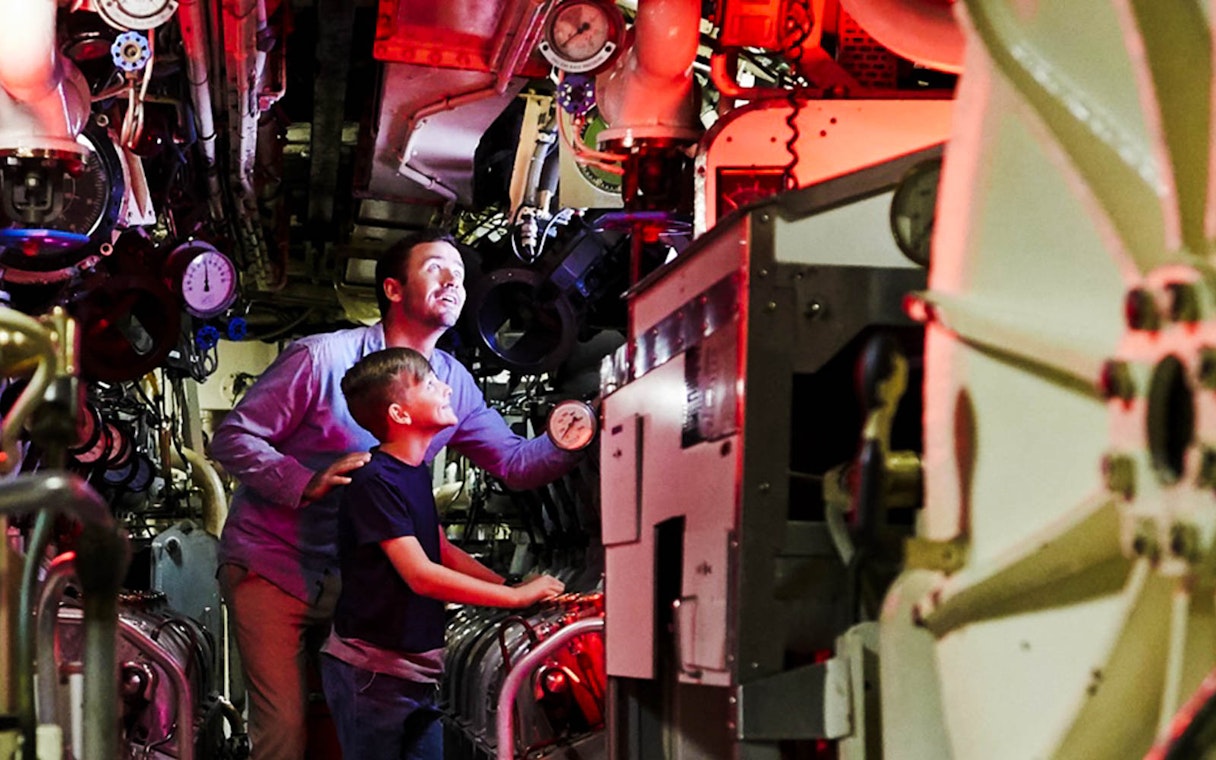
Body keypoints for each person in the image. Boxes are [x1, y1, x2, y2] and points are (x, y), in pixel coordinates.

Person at [209, 229, 580, 759]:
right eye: (435, 268)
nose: (453, 280)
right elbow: (233, 437)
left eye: (459, 272)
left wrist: (583, 427)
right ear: (393, 288)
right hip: (275, 566)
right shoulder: (320, 360)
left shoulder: (449, 384)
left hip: (359, 580)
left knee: (355, 720)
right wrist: (302, 480)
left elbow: (516, 464)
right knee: (285, 731)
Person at [321, 347, 565, 759]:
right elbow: (420, 573)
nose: (447, 388)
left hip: (414, 672)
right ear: (400, 414)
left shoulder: (412, 472)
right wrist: (515, 598)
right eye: (431, 384)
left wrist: (510, 585)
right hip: (373, 675)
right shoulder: (375, 480)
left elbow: (442, 550)